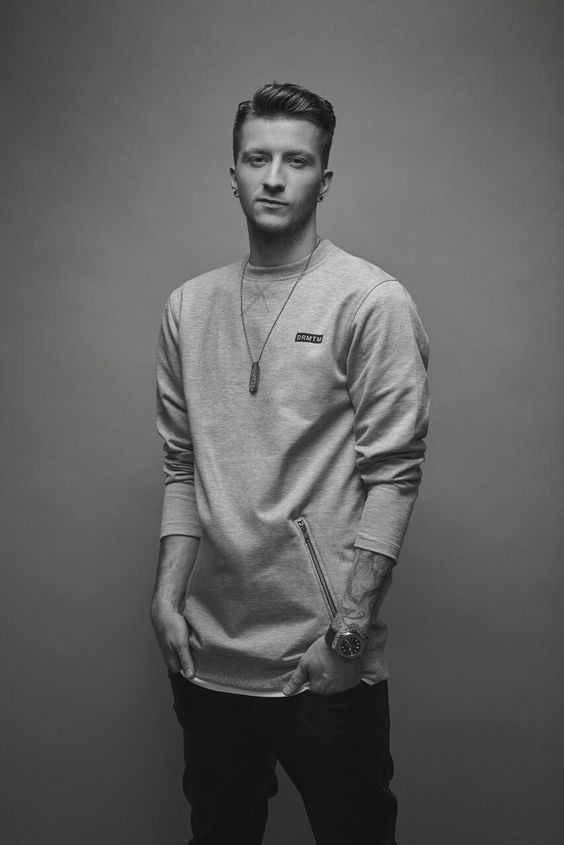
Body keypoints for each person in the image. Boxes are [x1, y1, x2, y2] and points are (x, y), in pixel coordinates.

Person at [150, 81, 429, 845]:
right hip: (208, 658)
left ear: (323, 179)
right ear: (233, 173)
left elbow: (394, 473)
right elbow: (182, 465)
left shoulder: (370, 301)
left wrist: (347, 635)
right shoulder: (187, 308)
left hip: (322, 661)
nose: (274, 178)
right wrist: (166, 597)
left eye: (296, 161)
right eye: (257, 158)